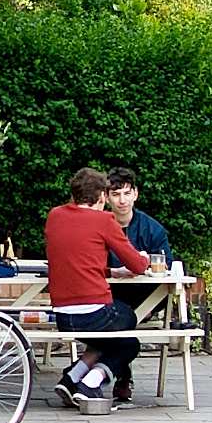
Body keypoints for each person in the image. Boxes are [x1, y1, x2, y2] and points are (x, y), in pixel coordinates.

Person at [46, 168, 149, 407]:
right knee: (128, 338)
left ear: (74, 195)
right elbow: (137, 264)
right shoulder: (104, 220)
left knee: (105, 341)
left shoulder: (55, 215)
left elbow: (76, 260)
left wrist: (111, 272)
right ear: (103, 197)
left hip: (63, 315)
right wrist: (144, 259)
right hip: (94, 314)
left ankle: (72, 378)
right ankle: (91, 383)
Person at [103, 165, 175, 402]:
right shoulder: (98, 225)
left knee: (116, 320)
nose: (122, 200)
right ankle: (113, 373)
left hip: (146, 295)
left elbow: (167, 265)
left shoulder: (152, 229)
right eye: (116, 194)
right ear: (106, 197)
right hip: (107, 293)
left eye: (126, 193)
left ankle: (106, 373)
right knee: (111, 318)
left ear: (135, 194)